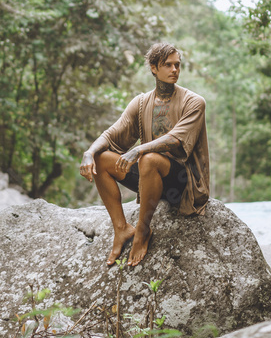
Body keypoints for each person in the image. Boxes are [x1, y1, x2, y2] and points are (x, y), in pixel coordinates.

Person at [79, 42, 209, 267]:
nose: (174, 70)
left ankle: (142, 231)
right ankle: (121, 229)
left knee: (147, 159)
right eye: (167, 65)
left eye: (177, 65)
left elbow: (176, 139)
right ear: (153, 68)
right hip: (151, 177)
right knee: (101, 159)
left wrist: (138, 149)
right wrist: (89, 152)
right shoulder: (140, 103)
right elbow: (111, 135)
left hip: (183, 183)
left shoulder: (194, 102)